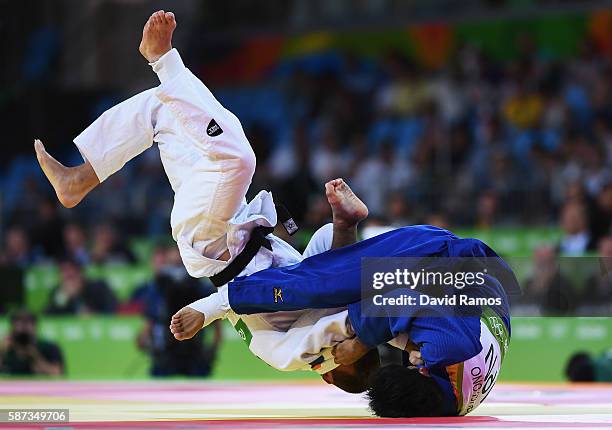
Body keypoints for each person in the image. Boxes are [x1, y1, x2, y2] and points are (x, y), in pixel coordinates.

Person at [34, 11, 370, 384]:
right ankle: (80, 179)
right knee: (164, 112)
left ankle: (163, 59)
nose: (354, 340)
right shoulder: (333, 305)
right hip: (234, 219)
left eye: (355, 352)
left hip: (211, 243)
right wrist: (344, 222)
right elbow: (328, 250)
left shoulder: (293, 353)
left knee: (239, 159)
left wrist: (204, 312)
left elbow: (251, 293)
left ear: (331, 373)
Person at [173, 223, 516, 417]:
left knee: (345, 291)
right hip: (444, 260)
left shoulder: (452, 407)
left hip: (470, 284)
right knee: (322, 286)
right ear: (421, 374)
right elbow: (396, 302)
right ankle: (217, 304)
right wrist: (361, 343)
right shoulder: (449, 350)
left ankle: (342, 228)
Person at [0, 310, 64, 376]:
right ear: (12, 328)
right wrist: (2, 351)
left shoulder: (49, 347)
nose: (24, 329)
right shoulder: (6, 348)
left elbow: (57, 373)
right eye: (19, 324)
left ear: (35, 327)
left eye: (28, 324)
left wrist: (36, 356)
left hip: (38, 386)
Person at [45, 258, 118, 315]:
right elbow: (48, 316)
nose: (70, 282)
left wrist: (95, 314)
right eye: (66, 277)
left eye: (72, 276)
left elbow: (113, 309)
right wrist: (64, 297)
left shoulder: (99, 287)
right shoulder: (58, 292)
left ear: (81, 273)